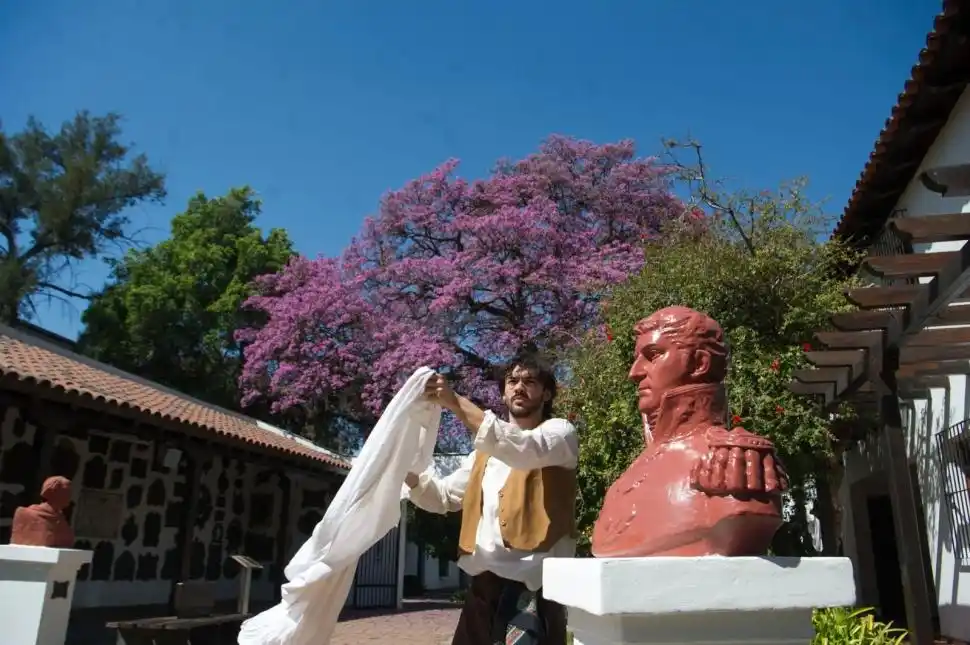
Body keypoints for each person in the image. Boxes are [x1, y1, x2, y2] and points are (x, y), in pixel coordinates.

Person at [405, 353, 578, 645]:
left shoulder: (559, 435)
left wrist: (455, 402)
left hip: (532, 592)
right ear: (503, 391)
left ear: (546, 394)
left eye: (530, 381)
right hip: (482, 593)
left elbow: (523, 448)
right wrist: (405, 475)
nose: (519, 387)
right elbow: (444, 497)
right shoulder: (481, 456)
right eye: (512, 381)